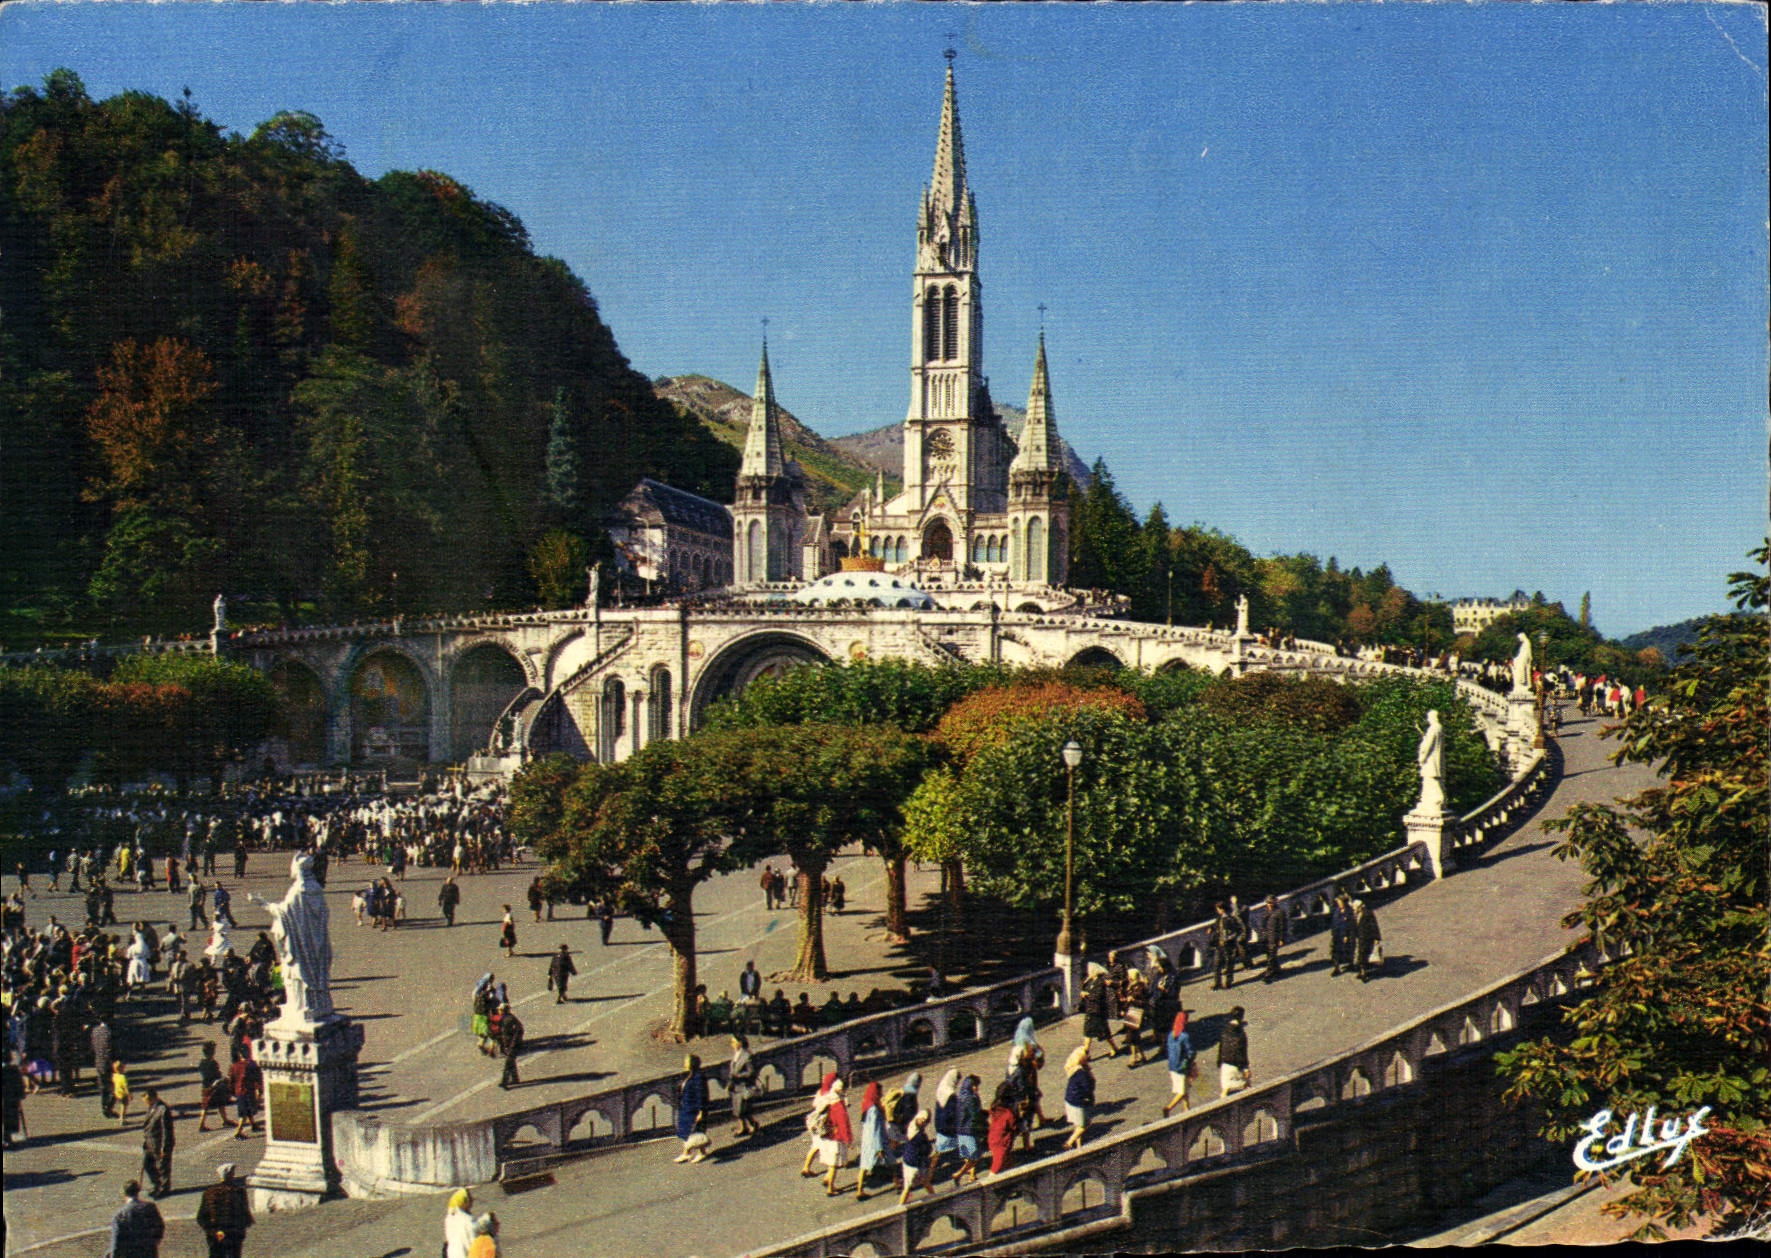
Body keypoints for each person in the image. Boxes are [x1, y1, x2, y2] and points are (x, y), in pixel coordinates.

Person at [801, 1072, 853, 1194]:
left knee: (818, 1149)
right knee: (834, 1162)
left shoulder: (823, 1094)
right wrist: (848, 1139)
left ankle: (811, 1170)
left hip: (821, 1128)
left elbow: (815, 1105)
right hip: (834, 1135)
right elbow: (843, 1123)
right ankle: (830, 1186)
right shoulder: (837, 1104)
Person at [195, 1163, 253, 1258]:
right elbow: (245, 1215)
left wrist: (214, 1232)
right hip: (234, 1235)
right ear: (230, 1175)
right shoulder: (239, 1192)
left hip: (216, 1236)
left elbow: (201, 1217)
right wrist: (239, 1231)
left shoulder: (209, 1192)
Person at [1006, 1016, 1048, 1134]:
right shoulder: (1028, 1040)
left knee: (1033, 1095)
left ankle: (1041, 1118)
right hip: (1027, 1072)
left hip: (1023, 1071)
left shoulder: (1017, 1038)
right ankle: (1031, 1125)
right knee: (1032, 1095)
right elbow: (1037, 1054)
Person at [107, 1180, 165, 1258]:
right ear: (138, 1191)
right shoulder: (150, 1207)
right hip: (149, 1251)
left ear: (124, 1193)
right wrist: (154, 1241)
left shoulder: (120, 1215)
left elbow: (116, 1242)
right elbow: (160, 1226)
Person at [854, 1079, 890, 1202]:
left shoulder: (866, 1104)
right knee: (890, 1161)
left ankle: (859, 1189)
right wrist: (879, 1147)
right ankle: (897, 1182)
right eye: (880, 1092)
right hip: (876, 1140)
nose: (882, 1094)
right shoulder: (874, 1109)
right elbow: (876, 1128)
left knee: (864, 1165)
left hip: (867, 1139)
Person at [673, 1054, 710, 1163]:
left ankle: (699, 1153)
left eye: (686, 1061)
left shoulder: (698, 1077)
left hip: (695, 1109)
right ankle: (688, 1153)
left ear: (692, 1063)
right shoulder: (691, 1075)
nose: (684, 1063)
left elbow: (701, 1095)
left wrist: (701, 1111)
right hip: (688, 1108)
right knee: (690, 1131)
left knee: (695, 1130)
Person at [140, 1089, 175, 1197]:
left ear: (153, 1098)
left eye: (147, 1100)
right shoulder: (152, 1107)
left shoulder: (163, 1109)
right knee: (147, 1164)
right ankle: (156, 1184)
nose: (145, 1103)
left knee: (163, 1167)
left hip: (160, 1144)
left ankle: (164, 1189)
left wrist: (164, 1148)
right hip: (150, 1143)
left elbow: (167, 1130)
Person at [1079, 964, 1116, 1059]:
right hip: (1090, 1010)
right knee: (1087, 1032)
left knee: (1104, 1031)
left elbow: (1097, 996)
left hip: (1098, 1011)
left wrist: (1087, 994)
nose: (1088, 973)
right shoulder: (1090, 981)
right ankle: (1086, 1053)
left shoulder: (1100, 982)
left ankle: (1114, 1048)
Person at [1163, 1009, 1196, 1116]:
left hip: (1172, 1066)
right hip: (1182, 1066)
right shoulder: (1184, 1036)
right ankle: (1168, 1108)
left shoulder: (1170, 1034)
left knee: (1185, 1088)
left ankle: (1187, 1109)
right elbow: (1190, 1052)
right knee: (1181, 1091)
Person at [1062, 1045, 1094, 1150]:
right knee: (1085, 1125)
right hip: (1078, 1102)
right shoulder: (1082, 1073)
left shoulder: (1073, 1069)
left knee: (1077, 1125)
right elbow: (1088, 1087)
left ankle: (1079, 1146)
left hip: (1070, 1100)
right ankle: (1069, 1143)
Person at [727, 1034, 760, 1137]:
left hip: (744, 1086)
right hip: (736, 1086)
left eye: (733, 1042)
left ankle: (753, 1125)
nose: (731, 1044)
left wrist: (738, 1075)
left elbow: (752, 1072)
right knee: (738, 1110)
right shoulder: (736, 1054)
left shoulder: (747, 1055)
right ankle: (743, 1127)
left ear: (740, 1043)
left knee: (743, 1109)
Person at [986, 1080, 1020, 1176]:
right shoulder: (1009, 1114)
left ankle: (1012, 1174)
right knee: (997, 1163)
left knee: (1007, 1160)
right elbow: (1014, 1127)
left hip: (993, 1137)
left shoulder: (994, 1107)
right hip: (1002, 1141)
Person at [954, 1074, 984, 1185]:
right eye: (975, 1085)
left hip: (960, 1130)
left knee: (968, 1156)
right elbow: (975, 1115)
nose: (976, 1088)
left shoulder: (960, 1096)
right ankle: (958, 1174)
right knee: (974, 1156)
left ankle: (971, 1175)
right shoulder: (971, 1098)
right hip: (970, 1130)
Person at [931, 1069, 961, 1178]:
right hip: (948, 1127)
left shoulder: (941, 1088)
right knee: (940, 1152)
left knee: (940, 1149)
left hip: (939, 1124)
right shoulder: (951, 1095)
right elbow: (952, 1113)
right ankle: (929, 1175)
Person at [228, 1049, 261, 1139]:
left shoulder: (234, 1066)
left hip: (239, 1091)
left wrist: (232, 1091)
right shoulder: (250, 1065)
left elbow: (231, 1079)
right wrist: (258, 1088)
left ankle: (253, 1124)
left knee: (247, 1109)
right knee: (244, 1112)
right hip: (248, 1090)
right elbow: (256, 1077)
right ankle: (238, 1132)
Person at [1218, 1006, 1251, 1097]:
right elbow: (1242, 1052)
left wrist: (1219, 1062)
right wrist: (1246, 1068)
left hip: (1225, 1064)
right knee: (1247, 1086)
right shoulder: (1241, 1034)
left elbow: (1221, 1048)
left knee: (1225, 1089)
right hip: (1237, 1065)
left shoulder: (1224, 1031)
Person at [195, 1043, 228, 1131]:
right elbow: (217, 1074)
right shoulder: (213, 1063)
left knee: (205, 1106)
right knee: (220, 1103)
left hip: (205, 1086)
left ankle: (202, 1124)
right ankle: (225, 1120)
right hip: (214, 1086)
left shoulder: (201, 1063)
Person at [1211, 902, 1242, 990]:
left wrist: (1229, 938)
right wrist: (1211, 928)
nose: (1217, 911)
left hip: (1228, 945)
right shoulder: (1219, 918)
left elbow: (1238, 931)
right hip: (1219, 944)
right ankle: (1217, 982)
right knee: (1217, 964)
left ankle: (1228, 982)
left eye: (1218, 909)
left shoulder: (1231, 919)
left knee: (1229, 963)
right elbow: (1215, 926)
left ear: (1222, 909)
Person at [92, 1016, 116, 1119]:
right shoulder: (109, 1032)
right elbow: (111, 1049)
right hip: (108, 1063)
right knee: (114, 1087)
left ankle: (104, 1107)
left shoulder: (95, 1031)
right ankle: (109, 1107)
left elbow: (93, 1045)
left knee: (103, 1087)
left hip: (99, 1061)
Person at [1354, 899, 1384, 982]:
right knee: (1361, 954)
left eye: (1356, 908)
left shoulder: (1368, 914)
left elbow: (1374, 926)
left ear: (1360, 907)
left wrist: (1376, 938)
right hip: (1360, 937)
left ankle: (1363, 973)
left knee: (1364, 954)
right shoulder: (1356, 914)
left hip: (1367, 937)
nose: (1355, 909)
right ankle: (1362, 971)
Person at [496, 1003, 524, 1089]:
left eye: (500, 1010)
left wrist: (513, 1043)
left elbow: (519, 1031)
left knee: (508, 1063)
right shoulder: (507, 1018)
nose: (498, 1011)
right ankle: (515, 1078)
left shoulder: (509, 1019)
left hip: (513, 1045)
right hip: (509, 1045)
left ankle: (504, 1082)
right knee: (511, 1062)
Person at [1260, 895, 1287, 983]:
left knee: (1271, 955)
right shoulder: (1265, 911)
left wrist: (1282, 939)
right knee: (1269, 955)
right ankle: (1277, 970)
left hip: (1275, 937)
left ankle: (1268, 974)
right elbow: (1262, 924)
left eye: (1271, 903)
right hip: (1266, 937)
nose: (1269, 904)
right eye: (1268, 903)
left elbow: (1283, 926)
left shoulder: (1280, 912)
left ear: (1275, 902)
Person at [443, 1188, 477, 1258]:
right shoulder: (468, 1220)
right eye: (470, 1201)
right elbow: (473, 1243)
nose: (472, 1204)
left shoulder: (449, 1219)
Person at [1329, 890, 1355, 977]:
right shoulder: (1336, 911)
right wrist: (1333, 932)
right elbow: (1334, 922)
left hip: (1346, 935)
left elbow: (1351, 924)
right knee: (1335, 951)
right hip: (1337, 934)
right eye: (1338, 902)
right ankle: (1336, 967)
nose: (1339, 904)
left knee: (1348, 950)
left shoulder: (1349, 911)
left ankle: (1350, 964)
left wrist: (1346, 935)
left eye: (1340, 902)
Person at [113, 1058, 134, 1126]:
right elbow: (126, 1087)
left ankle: (121, 1117)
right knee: (124, 1106)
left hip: (117, 1093)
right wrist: (129, 1094)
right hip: (123, 1094)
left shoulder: (115, 1076)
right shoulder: (123, 1077)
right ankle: (122, 1118)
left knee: (122, 1105)